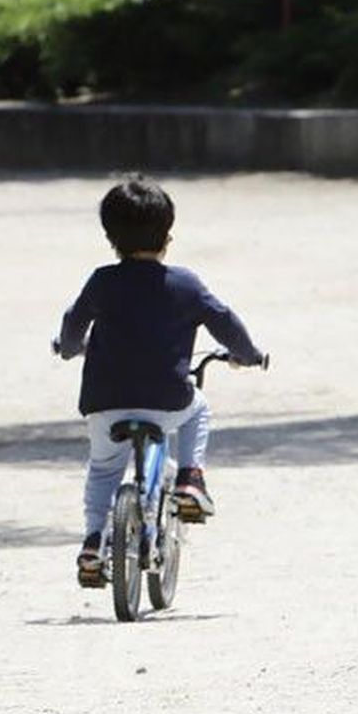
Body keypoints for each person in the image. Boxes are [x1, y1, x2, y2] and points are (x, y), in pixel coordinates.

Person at [54, 175, 263, 588]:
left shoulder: (101, 281)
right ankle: (190, 479)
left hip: (105, 402)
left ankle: (94, 544)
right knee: (198, 408)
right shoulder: (184, 283)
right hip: (166, 400)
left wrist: (68, 348)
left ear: (110, 238)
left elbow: (73, 324)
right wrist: (248, 354)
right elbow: (224, 320)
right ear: (168, 235)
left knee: (104, 470)